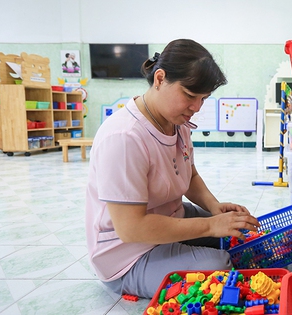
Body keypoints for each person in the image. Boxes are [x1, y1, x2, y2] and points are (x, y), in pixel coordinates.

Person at [85, 39, 260, 298]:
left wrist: (214, 207)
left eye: (204, 98)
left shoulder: (176, 121)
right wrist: (210, 226)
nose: (197, 107)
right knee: (218, 266)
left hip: (170, 217)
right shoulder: (124, 137)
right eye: (190, 96)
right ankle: (127, 278)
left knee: (238, 235)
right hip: (128, 252)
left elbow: (189, 175)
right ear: (160, 79)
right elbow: (131, 228)